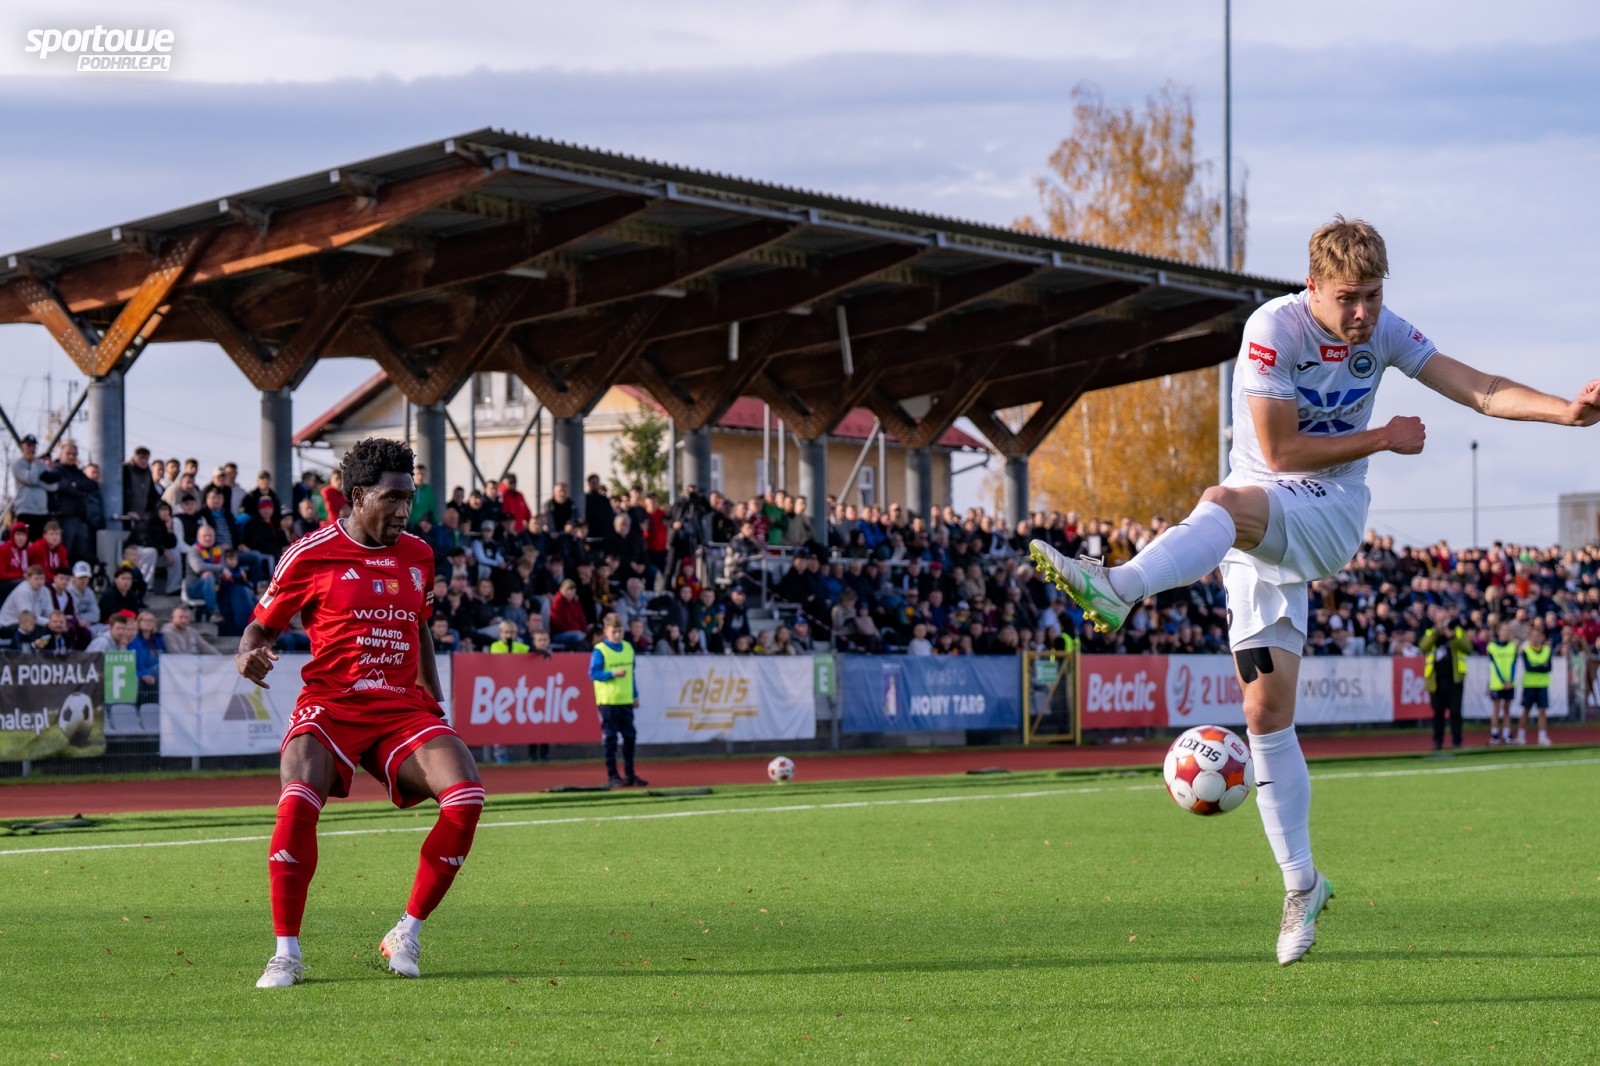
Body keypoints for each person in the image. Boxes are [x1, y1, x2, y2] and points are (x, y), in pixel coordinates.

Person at [1028, 216, 1600, 966]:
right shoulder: (1274, 329)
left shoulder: (1385, 331)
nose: (1363, 313)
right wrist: (1382, 436)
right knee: (1265, 713)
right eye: (1348, 298)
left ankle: (1120, 586)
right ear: (1313, 288)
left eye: (1373, 296)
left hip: (1326, 511)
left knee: (1221, 502)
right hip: (1256, 522)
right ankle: (1302, 884)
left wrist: (1567, 412)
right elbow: (1279, 450)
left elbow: (1481, 390)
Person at [236, 437, 483, 988]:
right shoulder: (309, 553)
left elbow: (419, 627)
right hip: (332, 705)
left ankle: (407, 931)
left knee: (466, 797)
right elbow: (260, 625)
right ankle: (286, 953)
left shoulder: (419, 555)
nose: (404, 509)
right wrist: (247, 652)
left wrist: (436, 705)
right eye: (393, 497)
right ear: (358, 496)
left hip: (401, 708)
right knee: (297, 798)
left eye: (409, 498)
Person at [589, 611, 646, 789]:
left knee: (630, 737)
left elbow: (631, 675)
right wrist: (612, 673)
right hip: (608, 701)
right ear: (606, 631)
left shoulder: (628, 648)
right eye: (613, 631)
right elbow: (593, 673)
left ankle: (630, 774)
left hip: (625, 700)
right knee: (611, 739)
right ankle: (613, 775)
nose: (617, 634)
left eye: (619, 631)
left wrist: (635, 695)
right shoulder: (600, 650)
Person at [1419, 606, 1470, 751]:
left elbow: (1468, 648)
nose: (1442, 622)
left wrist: (1452, 637)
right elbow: (1423, 646)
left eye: (1444, 618)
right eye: (1439, 619)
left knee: (1455, 712)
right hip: (1436, 681)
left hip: (1455, 679)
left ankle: (1457, 741)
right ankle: (1437, 741)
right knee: (1438, 713)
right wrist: (1436, 633)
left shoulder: (1458, 632)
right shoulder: (1431, 633)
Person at [11, 434, 56, 540]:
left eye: (34, 446)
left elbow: (53, 486)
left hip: (42, 511)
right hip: (26, 510)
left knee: (40, 544)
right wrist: (35, 465)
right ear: (22, 447)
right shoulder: (18, 464)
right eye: (29, 445)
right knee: (26, 542)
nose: (32, 448)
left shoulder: (41, 464)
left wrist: (37, 482)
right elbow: (31, 479)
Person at [1516, 625, 1555, 747]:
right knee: (1526, 711)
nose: (1535, 638)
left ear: (1541, 637)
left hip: (1542, 684)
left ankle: (1542, 737)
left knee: (1542, 712)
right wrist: (1541, 665)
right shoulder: (1526, 651)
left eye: (1537, 636)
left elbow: (1549, 667)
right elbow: (1529, 667)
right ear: (1529, 638)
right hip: (1529, 685)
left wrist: (1537, 666)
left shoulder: (1546, 650)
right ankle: (1521, 736)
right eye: (1533, 636)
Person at [1485, 621, 1519, 745]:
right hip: (1497, 683)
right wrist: (1503, 680)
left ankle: (1507, 733)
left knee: (1507, 709)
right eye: (1503, 630)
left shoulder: (1513, 647)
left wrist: (1510, 680)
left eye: (1507, 630)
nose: (1505, 633)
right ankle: (1494, 734)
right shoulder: (1492, 647)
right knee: (1496, 708)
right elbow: (1495, 665)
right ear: (1499, 632)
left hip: (1510, 682)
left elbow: (1513, 665)